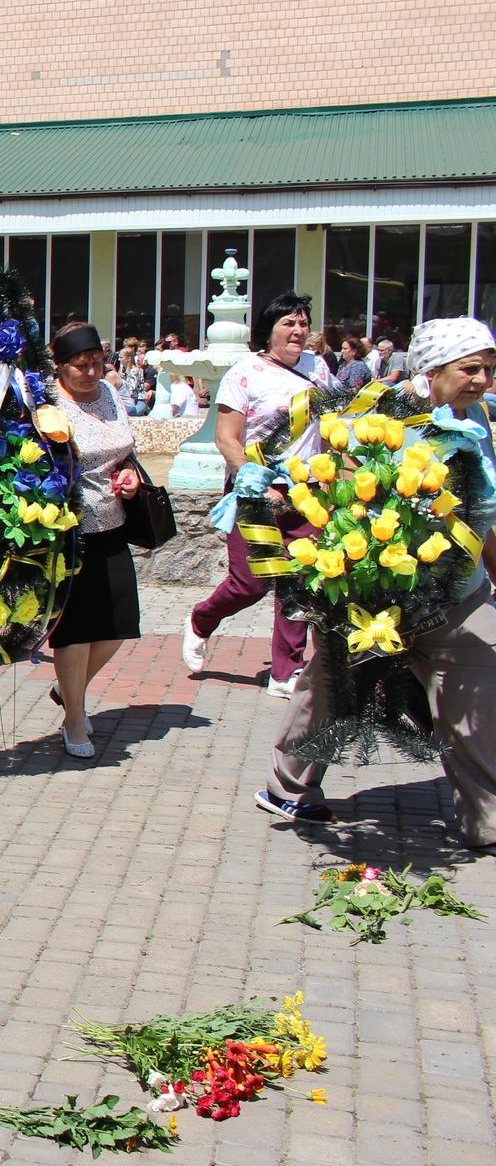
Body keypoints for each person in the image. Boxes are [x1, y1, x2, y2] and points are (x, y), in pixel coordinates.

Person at [261, 316, 496, 836]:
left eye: (488, 368)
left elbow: (485, 514)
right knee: (331, 690)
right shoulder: (381, 417)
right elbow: (346, 494)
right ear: (432, 370)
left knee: (477, 698)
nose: (481, 379)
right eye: (470, 368)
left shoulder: (475, 419)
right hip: (379, 595)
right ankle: (288, 787)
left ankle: (487, 820)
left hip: (460, 598)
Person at [182, 292, 329, 698]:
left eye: (303, 323)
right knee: (250, 582)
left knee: (300, 582)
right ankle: (200, 620)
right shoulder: (245, 373)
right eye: (289, 323)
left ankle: (285, 672)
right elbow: (227, 438)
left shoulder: (319, 369)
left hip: (308, 491)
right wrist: (255, 480)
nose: (298, 330)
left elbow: (333, 427)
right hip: (256, 489)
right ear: (270, 331)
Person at [45, 326, 144, 759]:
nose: (90, 372)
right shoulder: (48, 403)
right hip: (68, 531)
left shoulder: (108, 391)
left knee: (121, 623)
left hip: (114, 523)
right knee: (77, 631)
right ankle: (74, 719)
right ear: (60, 366)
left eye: (96, 363)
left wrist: (131, 473)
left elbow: (125, 449)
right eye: (79, 365)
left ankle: (68, 691)